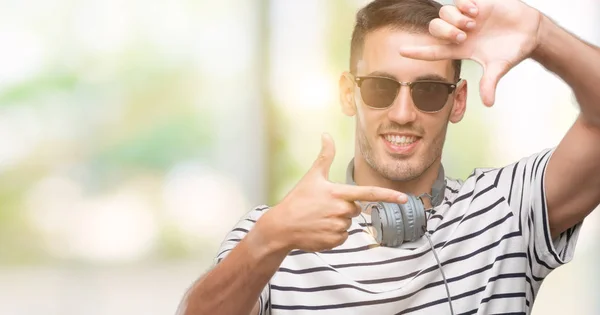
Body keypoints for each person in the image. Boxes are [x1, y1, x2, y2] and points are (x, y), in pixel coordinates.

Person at [178, 0, 600, 314]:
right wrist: (269, 240)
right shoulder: (271, 234)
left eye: (429, 90)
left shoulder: (505, 208)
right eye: (380, 87)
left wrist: (543, 35)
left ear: (457, 102)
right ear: (349, 93)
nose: (403, 114)